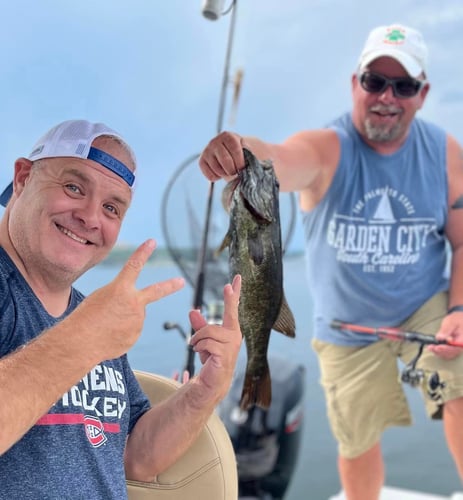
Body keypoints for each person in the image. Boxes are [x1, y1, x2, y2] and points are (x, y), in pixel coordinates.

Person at [199, 23, 463, 500]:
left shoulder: (445, 154)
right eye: (374, 81)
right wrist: (241, 153)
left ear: (422, 94)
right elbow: (279, 157)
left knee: (460, 377)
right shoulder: (328, 148)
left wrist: (459, 312)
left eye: (403, 85)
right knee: (356, 435)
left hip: (425, 306)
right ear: (354, 84)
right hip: (346, 323)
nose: (387, 96)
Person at [0, 119, 242, 498]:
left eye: (112, 208)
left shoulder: (91, 315)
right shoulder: (89, 327)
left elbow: (134, 456)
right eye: (74, 187)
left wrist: (206, 389)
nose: (91, 217)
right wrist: (88, 338)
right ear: (22, 178)